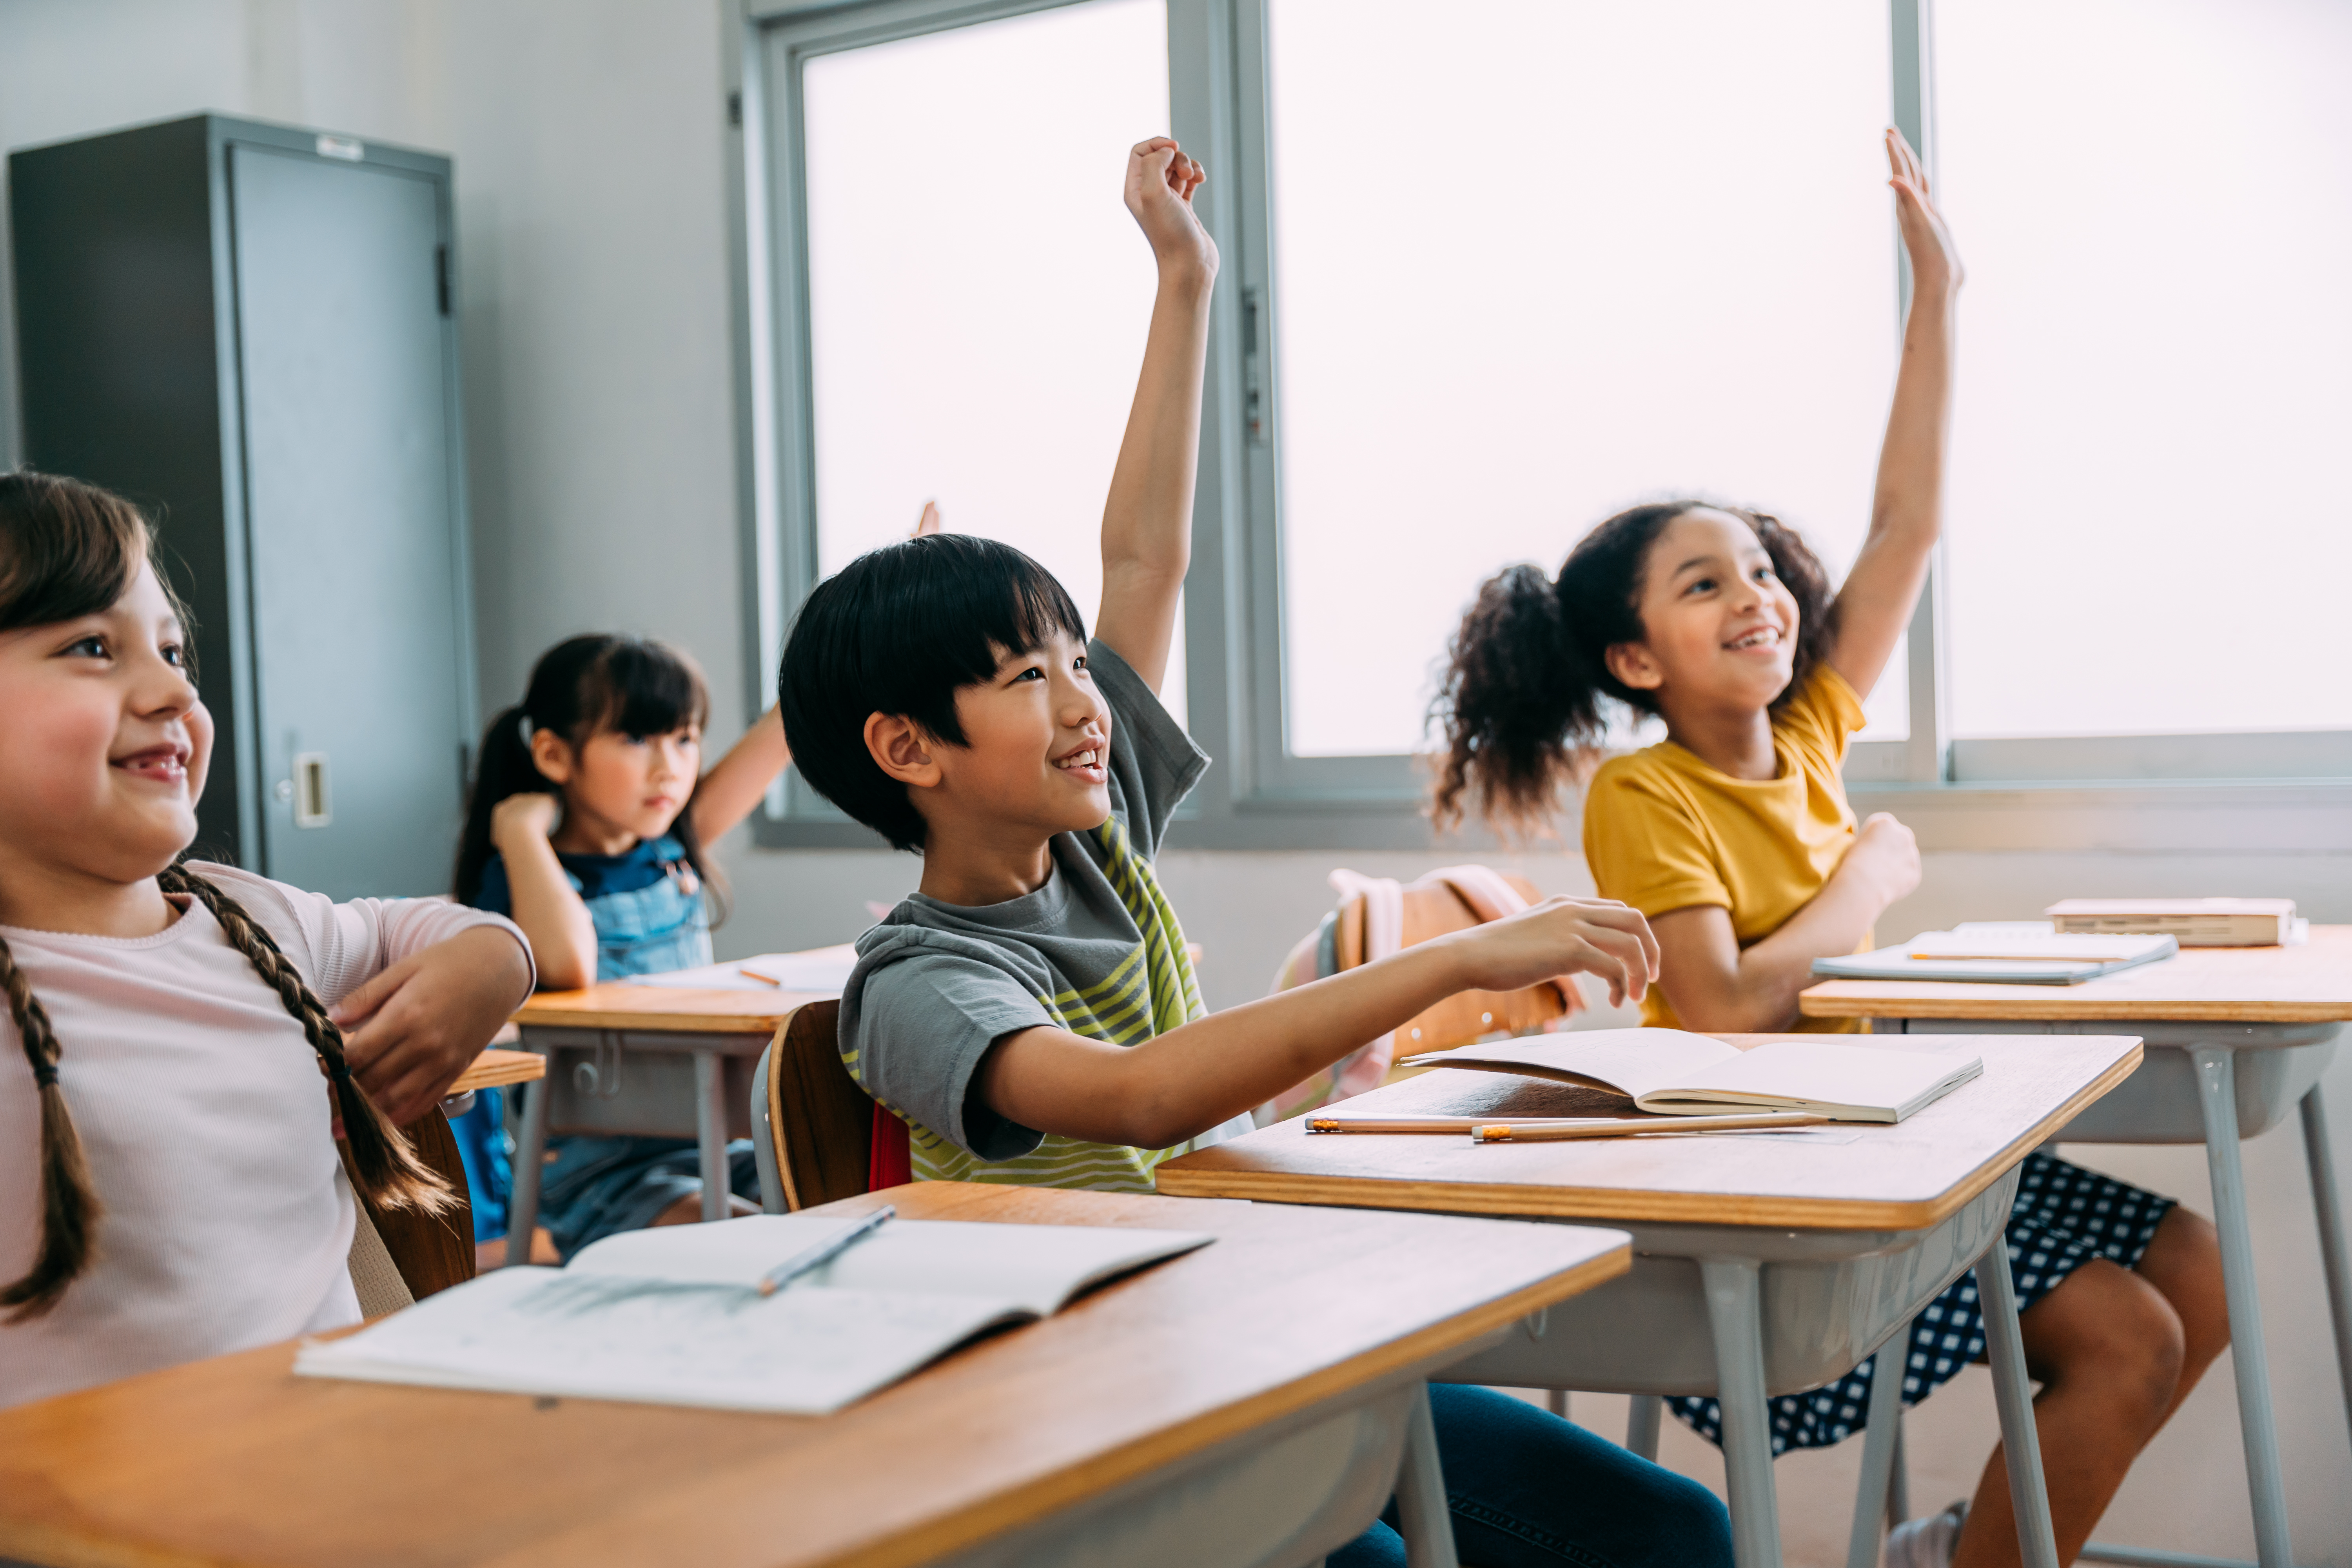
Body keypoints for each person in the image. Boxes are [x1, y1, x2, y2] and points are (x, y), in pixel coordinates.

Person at [779, 136, 1730, 1568]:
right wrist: (1459, 958)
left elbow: (1146, 560)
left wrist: (1184, 280)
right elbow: (1142, 1098)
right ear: (908, 749)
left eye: (1073, 666)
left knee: (1664, 1531)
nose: (1086, 700)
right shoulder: (918, 985)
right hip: (1083, 1408)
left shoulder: (1101, 842)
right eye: (1028, 679)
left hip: (1228, 1330)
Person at [1431, 131, 2227, 1568]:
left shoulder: (1808, 737)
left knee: (2199, 1278)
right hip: (1786, 1175)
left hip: (1900, 1122)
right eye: (1702, 584)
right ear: (1633, 653)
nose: (1758, 597)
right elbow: (1730, 1006)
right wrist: (1866, 881)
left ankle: (1954, 1549)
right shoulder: (1645, 794)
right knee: (2135, 1340)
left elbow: (1908, 521)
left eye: (1757, 569)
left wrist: (1942, 299)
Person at [0, 470, 534, 1408]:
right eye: (93, 646)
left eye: (172, 648)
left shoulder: (250, 923)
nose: (171, 687)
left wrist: (488, 965)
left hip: (334, 1474)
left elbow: (448, 926)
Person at [452, 634, 791, 1259]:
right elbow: (568, 964)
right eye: (636, 739)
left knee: (838, 1208)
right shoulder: (526, 879)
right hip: (603, 1179)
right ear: (555, 755)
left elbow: (789, 723)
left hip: (715, 1143)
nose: (670, 766)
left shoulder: (670, 851)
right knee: (759, 1247)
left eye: (685, 738)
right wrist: (522, 832)